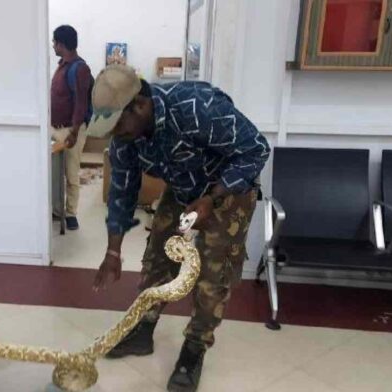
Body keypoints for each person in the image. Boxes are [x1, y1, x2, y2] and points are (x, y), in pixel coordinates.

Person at [89, 65, 270, 392]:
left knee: (212, 274)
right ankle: (142, 330)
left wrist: (212, 200)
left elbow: (256, 149)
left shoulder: (196, 107)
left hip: (229, 190)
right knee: (158, 256)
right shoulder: (127, 137)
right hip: (184, 187)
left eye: (118, 124)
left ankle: (194, 348)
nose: (115, 134)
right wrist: (113, 250)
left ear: (140, 106)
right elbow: (122, 192)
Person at [50, 25, 93, 230]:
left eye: (54, 42)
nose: (53, 46)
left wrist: (75, 132)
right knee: (55, 172)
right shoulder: (62, 66)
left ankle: (71, 213)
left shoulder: (79, 68)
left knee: (71, 172)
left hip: (71, 130)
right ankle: (57, 210)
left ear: (61, 43)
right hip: (56, 128)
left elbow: (81, 103)